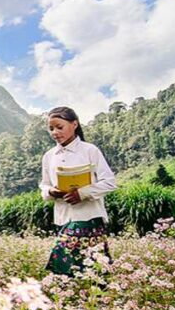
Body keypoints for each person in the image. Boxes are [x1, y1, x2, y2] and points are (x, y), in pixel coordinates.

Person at [39, 106, 117, 276]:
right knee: (78, 269)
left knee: (88, 266)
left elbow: (110, 182)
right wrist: (52, 192)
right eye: (51, 128)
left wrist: (82, 194)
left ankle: (94, 298)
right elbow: (44, 185)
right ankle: (75, 298)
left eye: (60, 127)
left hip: (89, 217)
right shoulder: (49, 156)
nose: (55, 132)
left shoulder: (90, 150)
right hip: (63, 217)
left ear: (74, 124)